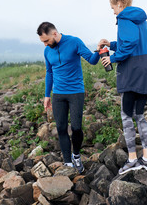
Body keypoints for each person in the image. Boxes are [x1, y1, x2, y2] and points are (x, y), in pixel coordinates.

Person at [97, 0, 147, 175]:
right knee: (140, 115)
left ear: (120, 4)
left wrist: (113, 57)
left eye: (113, 8)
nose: (113, 12)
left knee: (127, 116)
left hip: (133, 71)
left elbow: (130, 43)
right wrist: (112, 44)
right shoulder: (139, 19)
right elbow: (133, 42)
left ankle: (133, 158)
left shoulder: (124, 17)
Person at [37, 22, 100, 173]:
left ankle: (76, 156)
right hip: (58, 94)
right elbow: (49, 73)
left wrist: (98, 51)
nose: (45, 45)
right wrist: (47, 95)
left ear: (54, 34)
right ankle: (68, 162)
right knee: (61, 128)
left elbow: (92, 60)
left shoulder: (74, 42)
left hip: (75, 92)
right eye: (43, 42)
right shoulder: (47, 51)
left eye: (46, 41)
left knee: (77, 128)